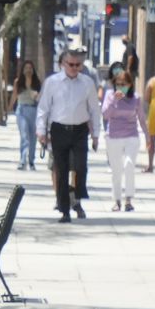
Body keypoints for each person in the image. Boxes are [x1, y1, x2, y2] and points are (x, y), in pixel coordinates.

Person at [39, 46, 102, 223]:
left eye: (77, 65)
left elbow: (94, 110)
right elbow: (43, 108)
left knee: (81, 166)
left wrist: (96, 134)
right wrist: (41, 131)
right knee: (61, 170)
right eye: (71, 64)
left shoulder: (87, 83)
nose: (74, 68)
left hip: (80, 130)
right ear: (63, 64)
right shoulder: (52, 82)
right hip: (59, 129)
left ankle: (77, 192)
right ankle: (64, 210)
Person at [100, 67, 146, 212]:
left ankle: (128, 199)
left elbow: (142, 118)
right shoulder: (109, 95)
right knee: (116, 169)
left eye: (124, 84)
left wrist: (148, 136)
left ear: (130, 84)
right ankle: (117, 200)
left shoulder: (136, 98)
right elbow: (105, 115)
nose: (121, 87)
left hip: (131, 135)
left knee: (129, 164)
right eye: (118, 84)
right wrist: (115, 100)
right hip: (113, 136)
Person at [10, 60, 41, 171]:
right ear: (23, 70)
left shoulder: (36, 83)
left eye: (30, 68)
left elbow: (41, 98)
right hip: (22, 110)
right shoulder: (18, 82)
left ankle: (31, 161)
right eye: (26, 68)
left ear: (33, 70)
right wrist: (9, 108)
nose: (28, 70)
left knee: (33, 137)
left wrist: (37, 96)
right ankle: (22, 160)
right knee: (24, 136)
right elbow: (14, 95)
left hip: (34, 111)